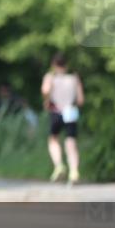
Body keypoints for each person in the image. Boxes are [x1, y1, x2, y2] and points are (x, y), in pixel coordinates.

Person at [42, 53, 84, 184]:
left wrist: (47, 99)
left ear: (53, 64)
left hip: (56, 110)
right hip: (70, 111)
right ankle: (74, 171)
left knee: (53, 139)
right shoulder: (74, 78)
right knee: (71, 141)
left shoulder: (50, 77)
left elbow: (45, 91)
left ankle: (59, 165)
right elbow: (80, 100)